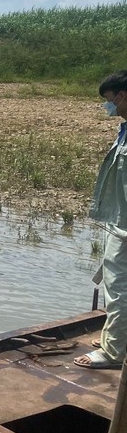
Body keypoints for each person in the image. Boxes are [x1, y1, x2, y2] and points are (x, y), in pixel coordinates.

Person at [76, 71, 127, 369]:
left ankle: (112, 353)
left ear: (121, 95)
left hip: (124, 227)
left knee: (118, 286)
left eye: (110, 100)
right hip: (118, 220)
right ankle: (117, 337)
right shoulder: (125, 129)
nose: (109, 107)